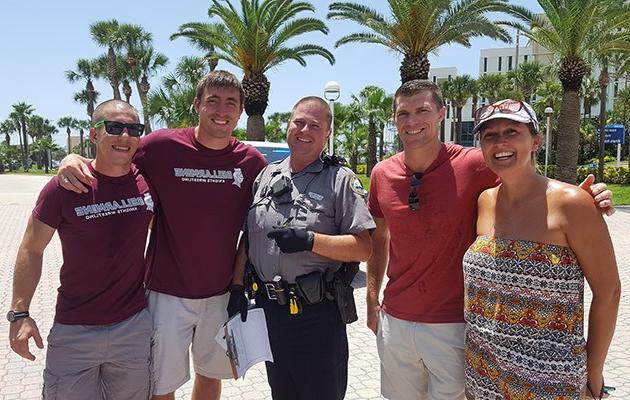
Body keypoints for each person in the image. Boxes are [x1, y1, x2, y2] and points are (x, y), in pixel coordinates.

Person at [366, 80, 615, 400]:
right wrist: (373, 299)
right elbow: (379, 235)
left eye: (422, 110)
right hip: (429, 337)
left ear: (442, 114)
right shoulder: (383, 174)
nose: (412, 121)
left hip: (465, 332)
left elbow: (531, 183)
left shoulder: (473, 164)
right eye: (403, 113)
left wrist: (591, 195)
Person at [57, 70, 267, 400]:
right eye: (213, 101)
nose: (222, 110)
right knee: (161, 384)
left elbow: (256, 230)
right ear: (197, 104)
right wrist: (72, 158)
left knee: (211, 375)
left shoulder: (251, 162)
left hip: (221, 292)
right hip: (166, 293)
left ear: (240, 111)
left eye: (231, 103)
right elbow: (113, 158)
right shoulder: (161, 146)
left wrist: (239, 285)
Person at [464, 99, 620, 399]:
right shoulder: (484, 201)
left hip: (550, 378)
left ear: (536, 140)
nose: (500, 142)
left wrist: (594, 373)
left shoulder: (571, 203)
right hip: (483, 369)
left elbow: (609, 291)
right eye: (490, 135)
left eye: (512, 131)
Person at [228, 96, 375, 400]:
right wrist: (236, 286)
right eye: (299, 122)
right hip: (270, 313)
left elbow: (363, 248)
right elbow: (249, 237)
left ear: (327, 135)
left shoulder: (340, 180)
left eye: (315, 125)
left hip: (317, 317)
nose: (304, 129)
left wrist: (311, 241)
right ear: (288, 125)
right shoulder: (266, 176)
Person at [9, 100, 155, 399]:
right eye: (114, 127)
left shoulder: (147, 182)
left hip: (133, 327)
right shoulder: (64, 186)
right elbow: (31, 249)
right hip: (74, 331)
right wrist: (19, 314)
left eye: (133, 129)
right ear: (94, 135)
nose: (124, 136)